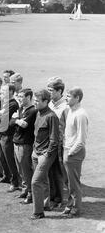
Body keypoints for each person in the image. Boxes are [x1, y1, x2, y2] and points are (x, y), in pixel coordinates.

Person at [31, 89, 59, 220]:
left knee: (35, 182)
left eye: (37, 101)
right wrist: (34, 150)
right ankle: (45, 205)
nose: (34, 102)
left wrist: (47, 155)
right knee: (44, 180)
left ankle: (38, 212)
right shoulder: (38, 112)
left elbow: (54, 140)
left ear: (46, 102)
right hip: (36, 152)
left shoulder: (51, 116)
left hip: (44, 154)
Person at [62, 87, 88, 217]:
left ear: (77, 98)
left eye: (68, 96)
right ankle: (69, 205)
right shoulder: (70, 111)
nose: (66, 98)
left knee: (74, 183)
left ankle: (76, 209)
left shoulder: (81, 114)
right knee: (68, 182)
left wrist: (70, 153)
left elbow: (81, 139)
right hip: (67, 149)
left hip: (74, 153)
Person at [13, 88, 37, 204]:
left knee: (26, 170)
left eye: (21, 97)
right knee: (20, 169)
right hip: (17, 142)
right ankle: (25, 190)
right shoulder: (21, 109)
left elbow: (24, 124)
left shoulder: (32, 111)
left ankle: (31, 194)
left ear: (28, 97)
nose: (19, 99)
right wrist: (17, 120)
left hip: (25, 144)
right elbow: (12, 122)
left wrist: (16, 119)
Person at [0, 84, 20, 192]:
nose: (2, 92)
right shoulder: (4, 102)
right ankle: (6, 177)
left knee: (9, 160)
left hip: (7, 135)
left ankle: (15, 183)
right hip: (0, 133)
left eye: (4, 90)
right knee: (2, 157)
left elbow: (2, 117)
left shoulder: (13, 104)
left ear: (11, 91)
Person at [47, 79, 68, 208]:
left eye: (51, 90)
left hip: (60, 144)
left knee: (60, 173)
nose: (48, 93)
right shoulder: (50, 103)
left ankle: (62, 200)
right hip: (49, 142)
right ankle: (54, 197)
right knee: (51, 171)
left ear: (59, 91)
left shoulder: (65, 108)